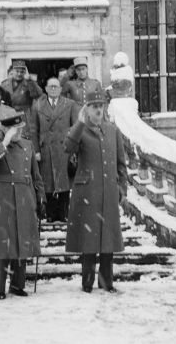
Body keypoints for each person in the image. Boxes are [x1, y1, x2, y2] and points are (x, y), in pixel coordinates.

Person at [0, 112, 46, 299]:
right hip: (0, 198)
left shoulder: (27, 146)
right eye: (14, 129)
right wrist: (4, 144)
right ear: (5, 129)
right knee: (2, 245)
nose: (18, 133)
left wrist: (41, 197)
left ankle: (17, 285)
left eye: (20, 129)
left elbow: (35, 175)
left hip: (23, 196)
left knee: (21, 241)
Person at [63, 90, 127, 294]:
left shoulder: (112, 130)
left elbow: (121, 164)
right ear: (86, 109)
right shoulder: (80, 130)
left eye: (101, 106)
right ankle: (88, 282)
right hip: (88, 192)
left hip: (108, 191)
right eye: (94, 106)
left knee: (107, 239)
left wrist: (121, 188)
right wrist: (79, 123)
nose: (99, 109)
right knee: (89, 240)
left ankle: (106, 281)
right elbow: (67, 147)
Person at [30, 77, 80, 222]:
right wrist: (37, 150)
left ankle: (64, 213)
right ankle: (51, 213)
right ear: (45, 89)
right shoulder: (38, 105)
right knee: (48, 182)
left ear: (60, 89)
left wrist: (74, 149)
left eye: (56, 87)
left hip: (64, 149)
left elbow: (76, 127)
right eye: (50, 86)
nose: (53, 89)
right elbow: (34, 130)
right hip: (46, 149)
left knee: (64, 181)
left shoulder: (69, 104)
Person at [0, 60, 43, 138]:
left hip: (23, 117)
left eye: (22, 72)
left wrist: (29, 80)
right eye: (17, 71)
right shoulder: (5, 84)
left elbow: (38, 94)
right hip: (8, 116)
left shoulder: (28, 83)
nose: (19, 74)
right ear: (12, 71)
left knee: (23, 140)